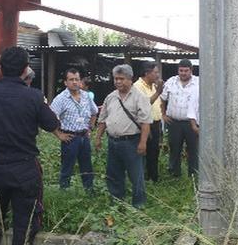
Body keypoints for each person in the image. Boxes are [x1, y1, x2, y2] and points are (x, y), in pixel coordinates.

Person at [0, 46, 68, 245]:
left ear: (1, 68)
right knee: (25, 222)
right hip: (25, 168)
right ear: (26, 69)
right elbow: (50, 123)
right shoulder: (33, 96)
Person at [95, 64, 152, 208]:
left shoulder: (140, 97)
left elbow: (145, 123)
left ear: (130, 79)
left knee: (136, 176)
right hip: (113, 142)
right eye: (116, 79)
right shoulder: (111, 97)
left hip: (131, 142)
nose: (118, 82)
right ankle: (117, 203)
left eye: (121, 79)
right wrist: (98, 138)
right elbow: (102, 120)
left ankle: (139, 205)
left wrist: (143, 143)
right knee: (113, 175)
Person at [50, 68, 98, 191]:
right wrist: (58, 134)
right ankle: (64, 193)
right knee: (67, 168)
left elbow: (94, 112)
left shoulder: (86, 96)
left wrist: (90, 127)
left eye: (77, 79)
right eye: (71, 79)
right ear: (65, 82)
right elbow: (49, 117)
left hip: (84, 136)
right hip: (70, 138)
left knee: (87, 167)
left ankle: (89, 192)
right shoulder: (61, 98)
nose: (75, 82)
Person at [160, 59, 199, 177]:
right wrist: (163, 114)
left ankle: (193, 175)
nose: (183, 73)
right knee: (174, 149)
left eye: (186, 71)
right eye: (181, 70)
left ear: (191, 70)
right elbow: (162, 98)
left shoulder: (198, 82)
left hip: (192, 123)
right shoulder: (171, 82)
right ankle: (174, 174)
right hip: (174, 122)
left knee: (193, 150)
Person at [133, 62, 164, 182]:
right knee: (145, 151)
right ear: (147, 73)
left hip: (156, 123)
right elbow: (145, 104)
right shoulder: (138, 86)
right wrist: (158, 93)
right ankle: (145, 178)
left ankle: (153, 177)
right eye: (155, 72)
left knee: (154, 151)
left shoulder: (153, 86)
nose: (158, 75)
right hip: (145, 125)